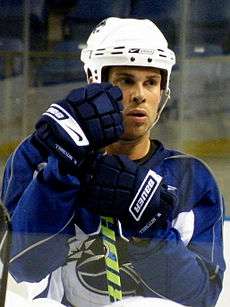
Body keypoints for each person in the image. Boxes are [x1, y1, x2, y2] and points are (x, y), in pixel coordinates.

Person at [0, 17, 226, 307]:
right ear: (96, 81)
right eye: (125, 81)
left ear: (163, 92)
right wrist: (64, 169)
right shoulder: (39, 156)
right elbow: (24, 267)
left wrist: (150, 231)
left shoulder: (191, 176)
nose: (140, 95)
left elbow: (202, 298)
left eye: (152, 82)